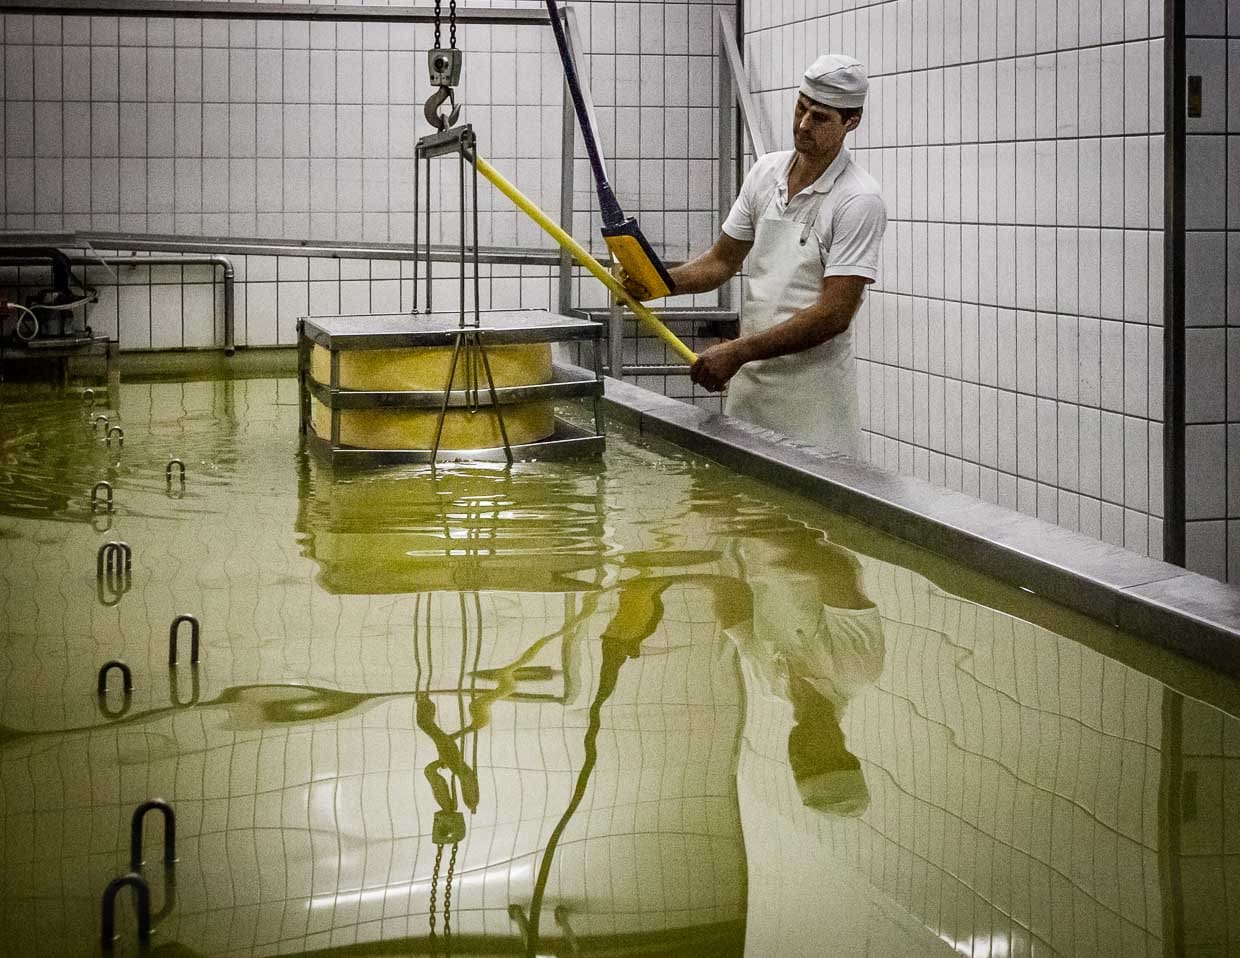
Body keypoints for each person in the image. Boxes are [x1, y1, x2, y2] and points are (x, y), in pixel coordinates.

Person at [620, 54, 887, 457]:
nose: (802, 125)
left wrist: (739, 350)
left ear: (852, 121)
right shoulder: (767, 173)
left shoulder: (858, 200)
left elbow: (834, 313)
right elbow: (722, 261)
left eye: (820, 117)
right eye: (801, 107)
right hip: (749, 394)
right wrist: (658, 283)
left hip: (812, 406)